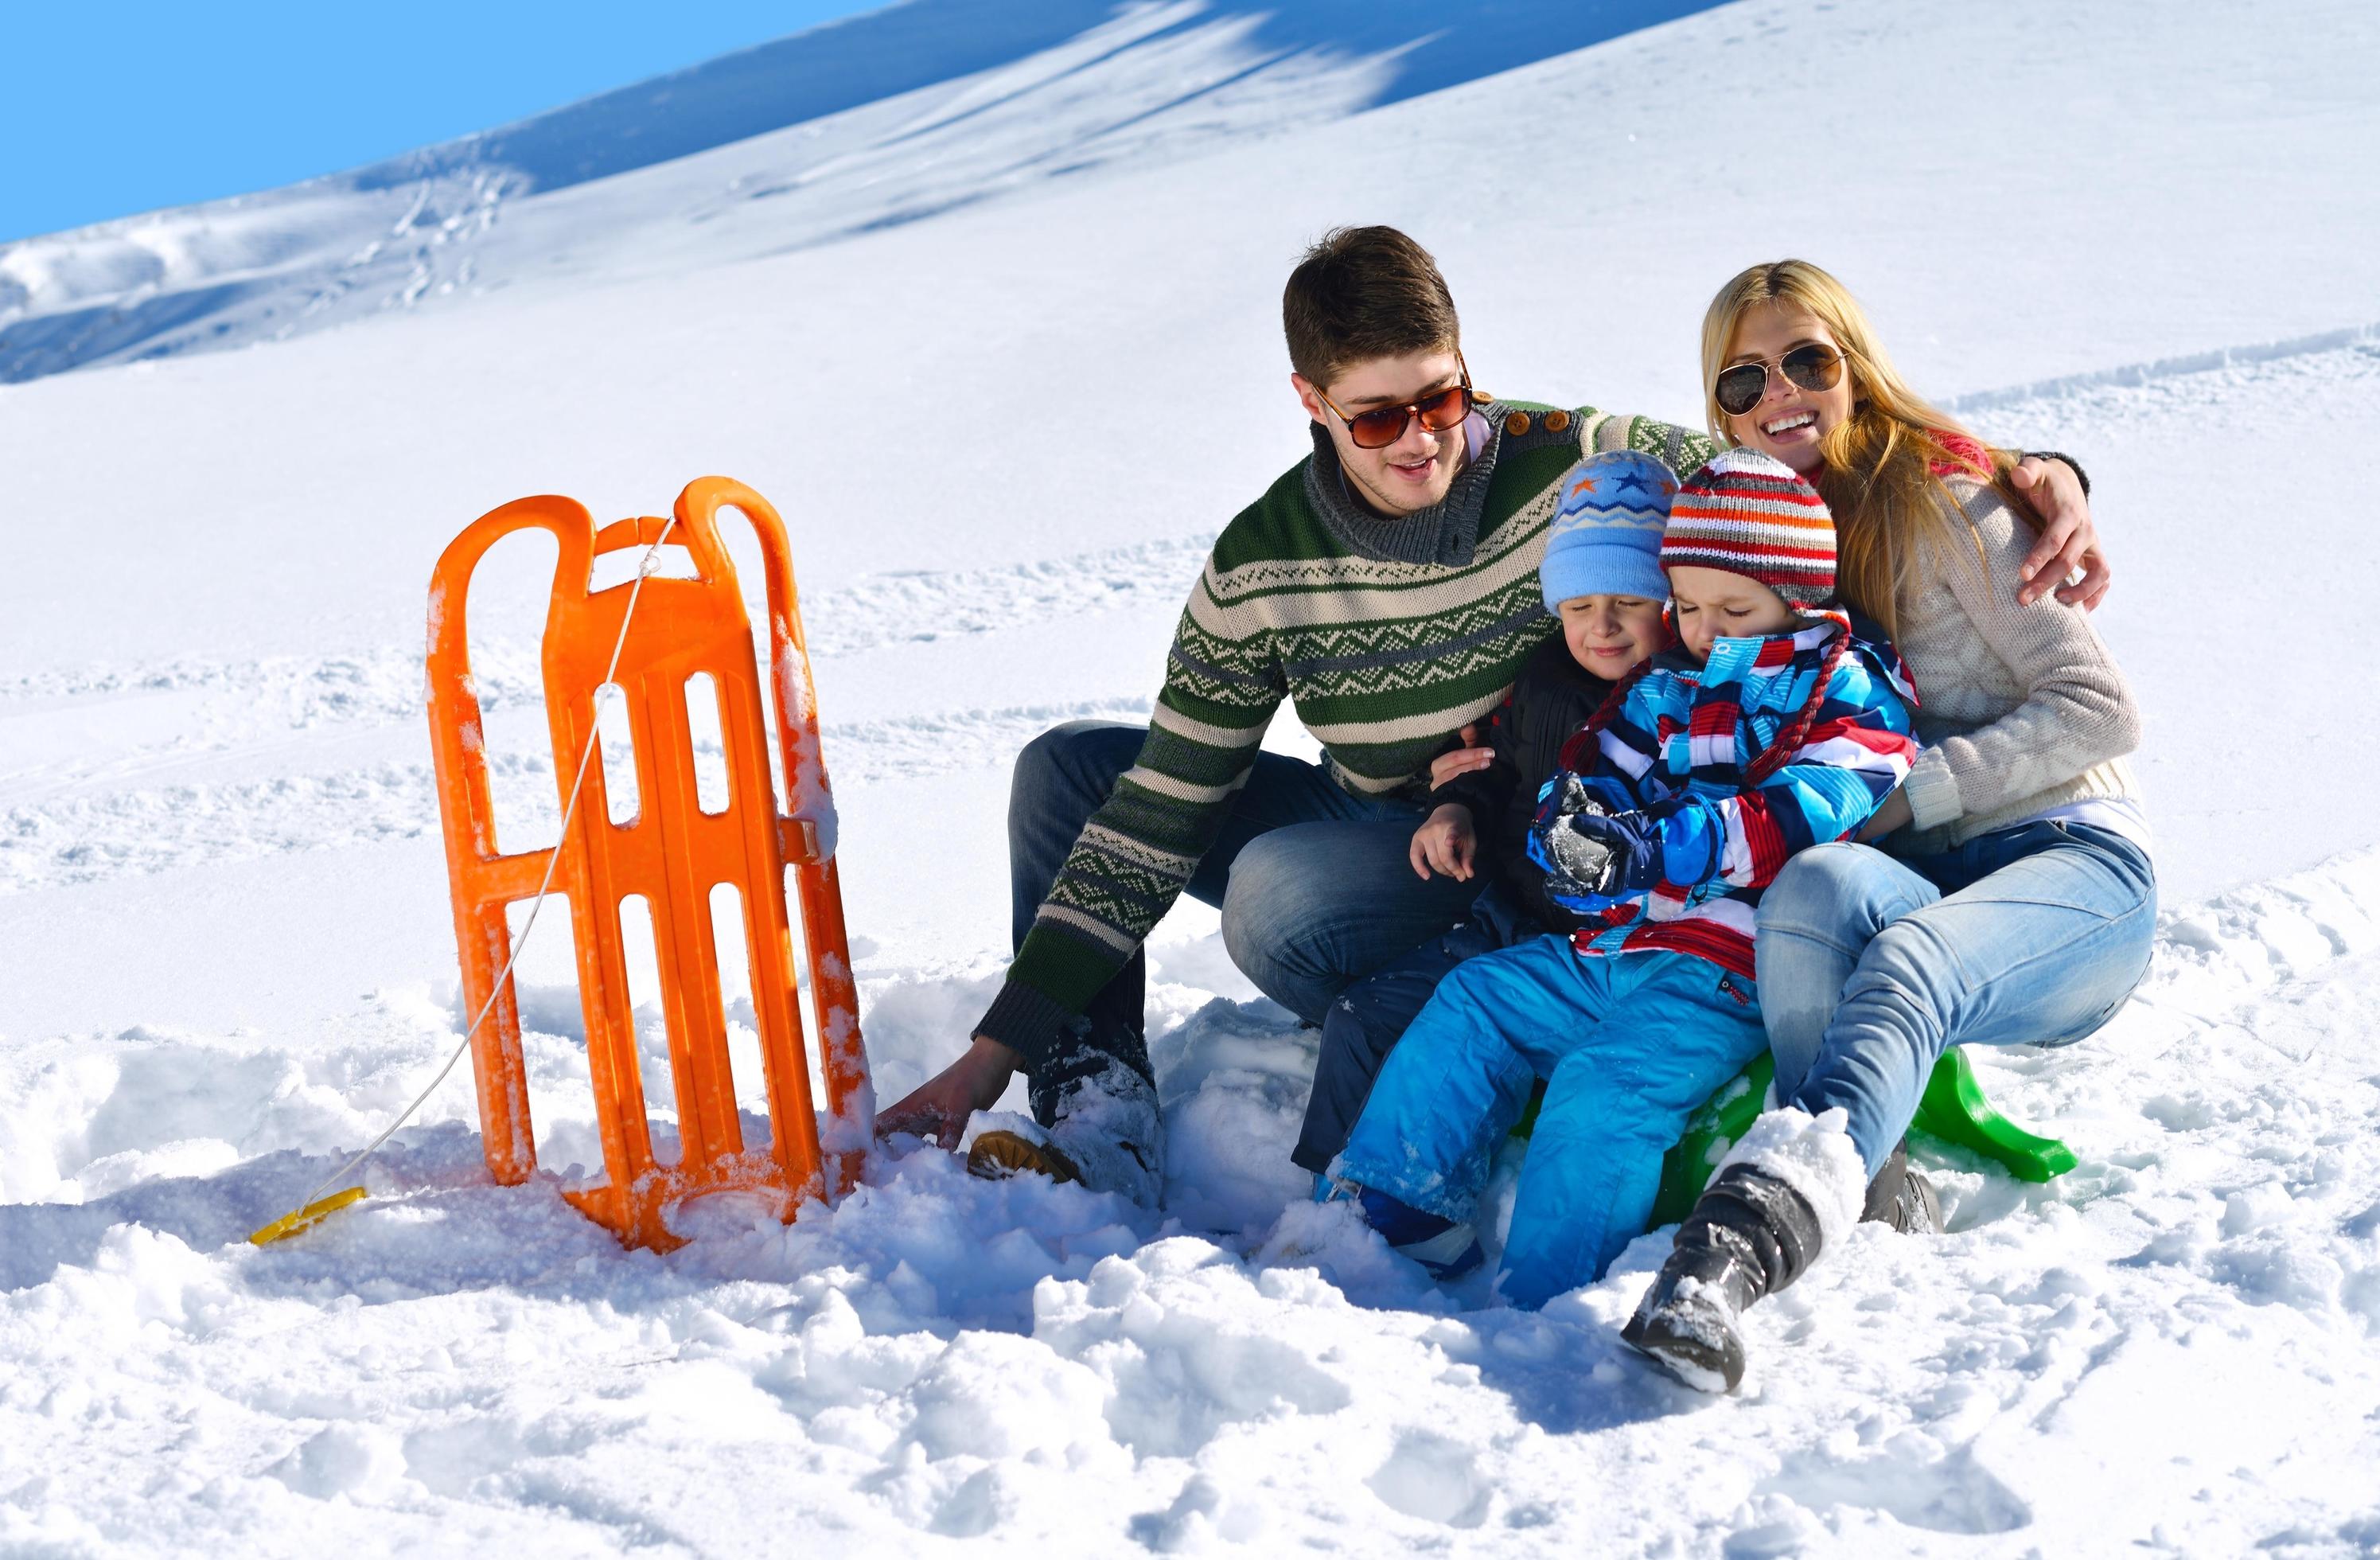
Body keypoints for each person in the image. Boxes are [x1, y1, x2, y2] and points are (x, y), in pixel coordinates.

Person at [875, 228, 2102, 1206]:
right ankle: (1095, 1116)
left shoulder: (1573, 457)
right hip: (1390, 817)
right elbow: (1163, 808)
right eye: (1375, 417)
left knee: (1276, 894)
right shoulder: (1263, 564)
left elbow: (1785, 465)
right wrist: (993, 1049)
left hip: (1539, 829)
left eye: (1440, 398)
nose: (1420, 439)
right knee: (1071, 773)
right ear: (1309, 400)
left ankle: (1461, 1027)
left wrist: (2021, 474)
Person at [1623, 260, 2155, 1393]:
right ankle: (1868, 1183)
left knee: (1906, 952)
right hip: (1919, 873)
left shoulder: (1946, 499)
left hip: (2067, 864)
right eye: (1742, 378)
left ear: (1851, 364)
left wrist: (1907, 792)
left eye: (1807, 360)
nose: (1781, 393)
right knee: (1812, 887)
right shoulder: (1752, 535)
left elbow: (2097, 708)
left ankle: (1733, 1253)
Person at [1326, 450, 1918, 1306]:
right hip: (1622, 941)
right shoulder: (1668, 687)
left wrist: (1654, 849)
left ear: (1801, 598)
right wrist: (1575, 834)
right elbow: (1597, 771)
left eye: (1734, 608)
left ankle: (1550, 1296)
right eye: (1685, 606)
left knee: (1606, 1083)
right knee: (1478, 995)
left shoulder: (1848, 694)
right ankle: (1395, 1203)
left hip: (1734, 969)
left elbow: (1792, 818)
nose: (1706, 628)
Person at [1287, 449, 1672, 1185]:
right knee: (1362, 1016)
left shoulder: (1684, 705)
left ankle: (1431, 1187)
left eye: (1628, 602)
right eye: (1579, 606)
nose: (1603, 627)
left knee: (1481, 1032)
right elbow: (1495, 764)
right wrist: (1456, 807)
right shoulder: (1540, 680)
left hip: (1601, 952)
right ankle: (1329, 1186)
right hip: (1505, 918)